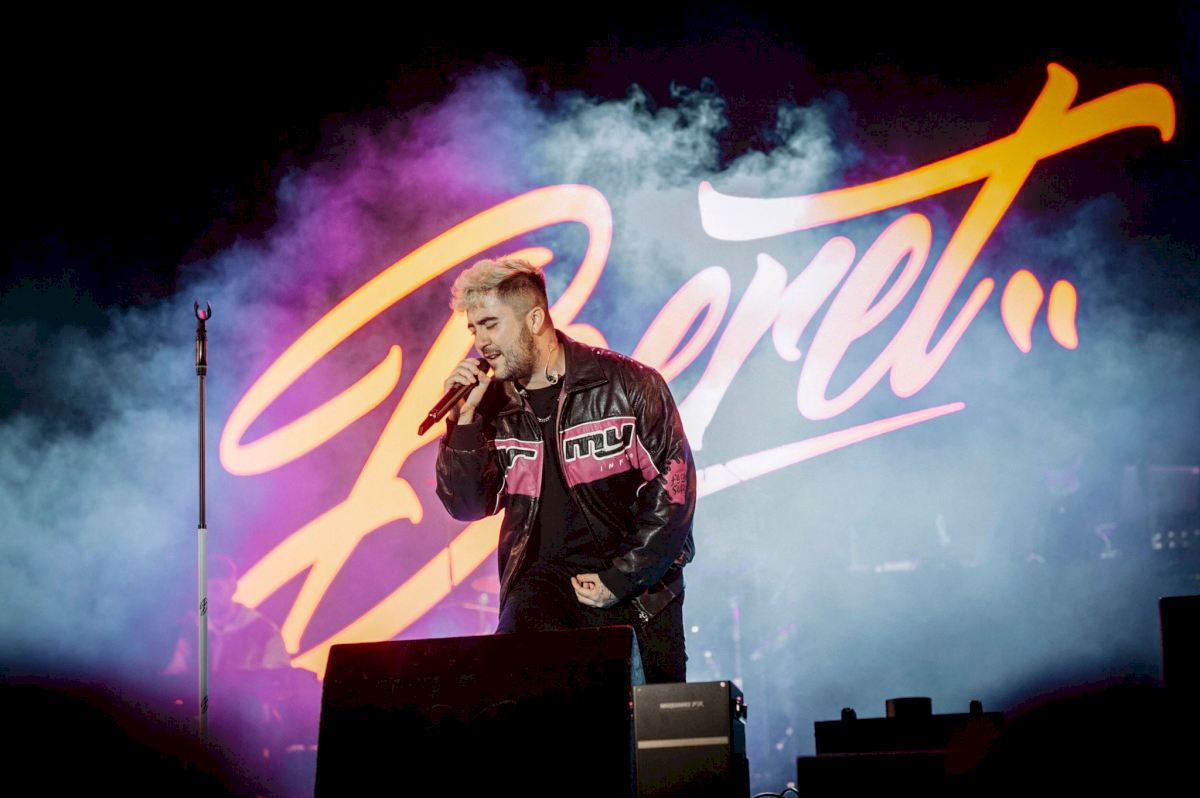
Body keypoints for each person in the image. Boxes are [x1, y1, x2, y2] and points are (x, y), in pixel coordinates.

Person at [435, 257, 696, 683]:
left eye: (491, 325)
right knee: (514, 702)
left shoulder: (629, 384)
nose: (480, 342)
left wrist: (620, 578)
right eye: (473, 329)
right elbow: (467, 506)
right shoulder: (489, 407)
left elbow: (674, 492)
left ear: (535, 319)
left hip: (637, 592)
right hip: (540, 592)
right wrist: (463, 423)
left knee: (644, 722)